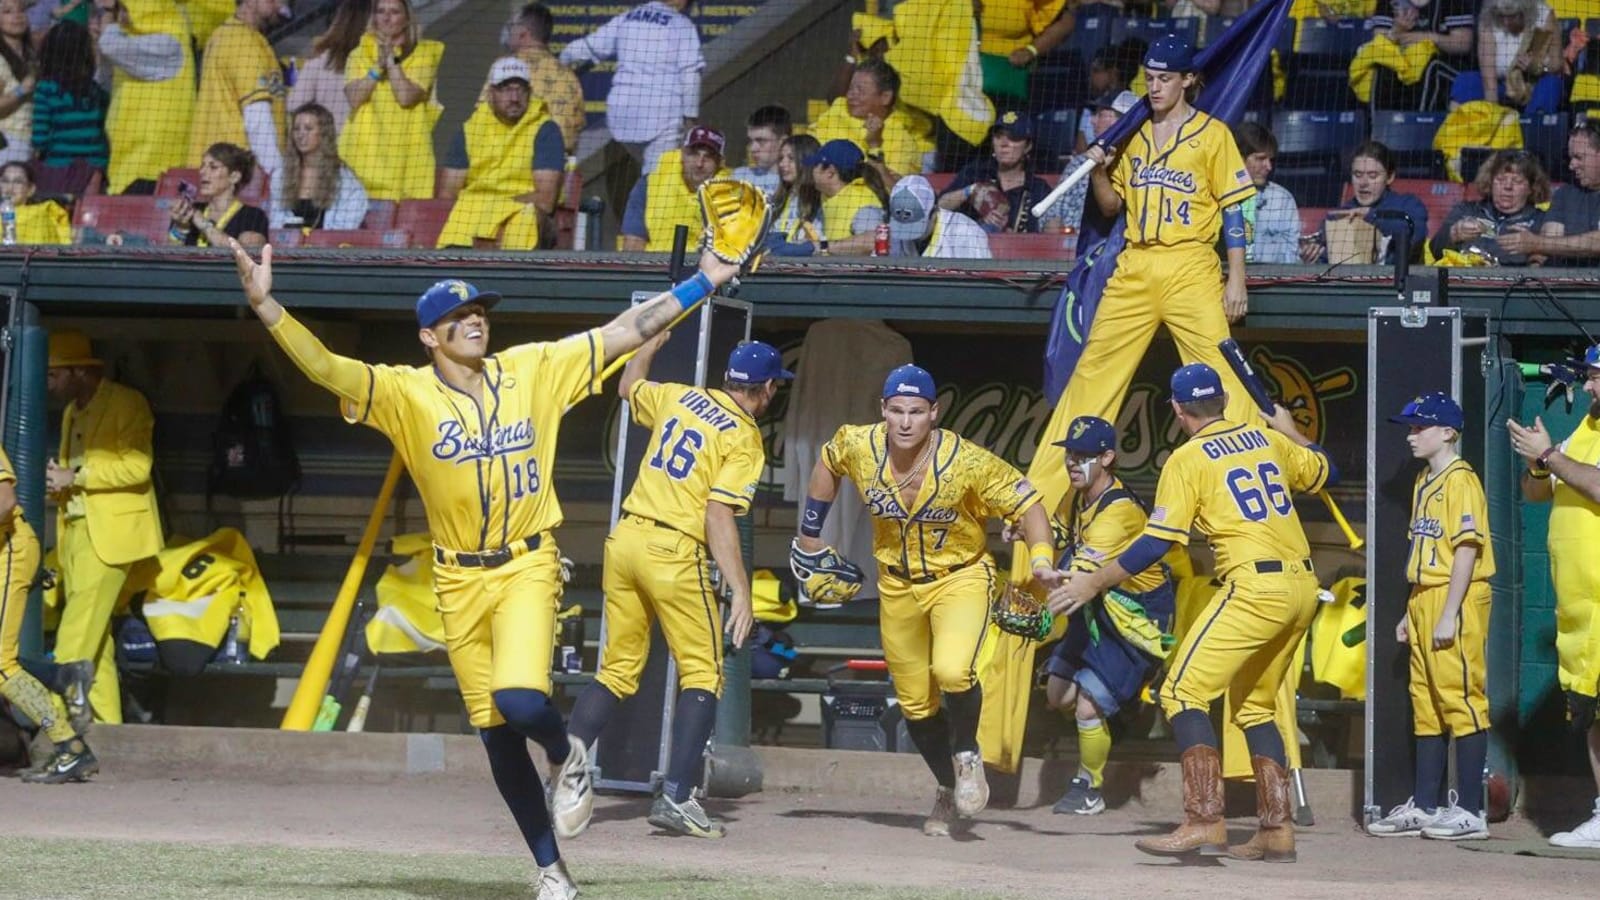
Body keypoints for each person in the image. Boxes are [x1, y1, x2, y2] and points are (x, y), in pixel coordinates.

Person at [230, 229, 746, 900]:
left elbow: (628, 329)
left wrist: (704, 281)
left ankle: (566, 755)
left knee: (521, 699)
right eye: (456, 317)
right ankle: (551, 871)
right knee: (497, 737)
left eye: (479, 312)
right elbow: (327, 367)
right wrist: (269, 308)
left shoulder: (533, 368)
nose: (474, 321)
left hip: (528, 564)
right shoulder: (402, 393)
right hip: (456, 577)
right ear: (428, 337)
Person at [1048, 362, 1336, 862]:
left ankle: (1205, 820)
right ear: (1223, 401)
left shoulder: (1188, 457)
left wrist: (1094, 579)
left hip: (1254, 584)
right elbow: (1323, 468)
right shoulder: (1263, 438)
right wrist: (1290, 431)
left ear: (1179, 411)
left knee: (1181, 692)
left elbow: (1157, 542)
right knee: (1254, 707)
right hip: (1303, 587)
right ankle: (1276, 829)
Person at [793, 364, 1061, 836]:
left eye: (916, 411)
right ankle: (946, 789)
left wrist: (1040, 559)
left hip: (958, 577)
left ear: (933, 413)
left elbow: (1029, 504)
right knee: (916, 705)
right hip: (896, 584)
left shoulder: (968, 461)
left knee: (954, 670)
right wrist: (810, 535)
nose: (904, 422)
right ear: (883, 409)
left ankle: (967, 755)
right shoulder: (860, 444)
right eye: (896, 410)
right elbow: (827, 461)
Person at [566, 339, 792, 839]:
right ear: (767, 388)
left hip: (624, 539)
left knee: (618, 671)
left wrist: (648, 344)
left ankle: (567, 774)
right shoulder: (744, 435)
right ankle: (677, 795)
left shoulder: (680, 395)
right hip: (673, 550)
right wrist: (742, 589)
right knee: (704, 675)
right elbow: (718, 514)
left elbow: (627, 385)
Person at [1025, 36, 1259, 511]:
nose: (1154, 87)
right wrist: (1097, 171)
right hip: (1134, 264)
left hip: (1191, 263)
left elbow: (1234, 211)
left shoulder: (1213, 135)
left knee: (1225, 378)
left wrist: (1237, 279)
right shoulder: (1131, 136)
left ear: (1188, 80)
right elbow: (1112, 206)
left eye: (1165, 78)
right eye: (1149, 78)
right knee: (1091, 379)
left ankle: (1257, 490)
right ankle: (1038, 510)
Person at [1364, 393, 1494, 841]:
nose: (1411, 435)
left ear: (1448, 432)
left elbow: (1466, 551)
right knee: (1427, 702)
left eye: (1420, 427)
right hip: (1424, 595)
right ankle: (1425, 804)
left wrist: (1449, 613)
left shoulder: (1462, 480)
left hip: (1455, 594)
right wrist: (1411, 609)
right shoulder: (1424, 479)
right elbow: (1427, 548)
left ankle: (1472, 813)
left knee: (1461, 697)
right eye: (1411, 427)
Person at [1039, 415, 1175, 816]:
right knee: (1057, 695)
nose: (1073, 463)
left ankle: (1090, 787)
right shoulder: (1079, 495)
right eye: (1070, 455)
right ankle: (1115, 712)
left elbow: (1079, 577)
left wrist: (1038, 614)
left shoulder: (1119, 512)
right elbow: (1059, 532)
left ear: (1107, 457)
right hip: (1100, 606)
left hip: (1137, 617)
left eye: (1084, 456)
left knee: (1086, 705)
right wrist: (1025, 532)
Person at [46, 330, 163, 729]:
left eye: (54, 374)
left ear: (79, 370)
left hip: (110, 539)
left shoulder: (126, 403)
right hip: (76, 534)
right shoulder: (70, 412)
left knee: (74, 637)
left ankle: (56, 731)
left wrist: (75, 474)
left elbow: (137, 467)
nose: (49, 383)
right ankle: (111, 734)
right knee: (97, 647)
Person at [1508, 345, 1600, 850]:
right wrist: (1541, 466)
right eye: (1587, 376)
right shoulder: (1585, 426)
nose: (1588, 386)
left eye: (1596, 377)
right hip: (1581, 609)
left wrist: (1551, 456)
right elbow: (1536, 492)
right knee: (1592, 713)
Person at [1, 443, 97, 784]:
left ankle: (70, 746)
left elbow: (5, 501)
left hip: (8, 548)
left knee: (2, 665)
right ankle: (62, 677)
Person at [558, 0, 702, 174]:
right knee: (659, 182)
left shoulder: (627, 17)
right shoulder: (682, 25)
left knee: (651, 176)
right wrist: (691, 121)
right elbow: (690, 75)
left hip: (622, 118)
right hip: (660, 117)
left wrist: (559, 65)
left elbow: (583, 48)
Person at [437, 57, 563, 251]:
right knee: (458, 217)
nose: (514, 97)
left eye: (520, 89)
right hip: (471, 213)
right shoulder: (469, 130)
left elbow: (545, 200)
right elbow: (447, 194)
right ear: (491, 93)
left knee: (525, 219)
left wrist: (496, 207)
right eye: (506, 89)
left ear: (529, 92)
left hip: (520, 214)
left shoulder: (545, 129)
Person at [342, 0, 443, 201]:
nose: (387, 18)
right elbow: (354, 98)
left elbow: (405, 96)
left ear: (406, 19)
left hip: (406, 161)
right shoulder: (358, 54)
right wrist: (378, 66)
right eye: (381, 11)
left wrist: (392, 60)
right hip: (362, 159)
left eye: (394, 12)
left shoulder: (424, 54)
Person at [94, 0, 196, 195]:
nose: (122, 17)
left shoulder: (169, 42)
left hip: (155, 168)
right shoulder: (132, 39)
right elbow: (102, 79)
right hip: (128, 160)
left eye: (126, 10)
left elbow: (110, 46)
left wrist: (108, 15)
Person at [188, 0, 284, 177]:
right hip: (238, 174)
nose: (280, 7)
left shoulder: (223, 35)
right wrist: (276, 175)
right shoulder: (243, 43)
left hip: (215, 171)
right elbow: (257, 118)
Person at [1300, 140, 1428, 266]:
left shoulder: (1409, 205)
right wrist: (1313, 256)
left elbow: (1415, 232)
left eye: (1372, 176)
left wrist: (1371, 216)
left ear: (1390, 177)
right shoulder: (1339, 217)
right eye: (1358, 175)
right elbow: (1326, 265)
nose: (1363, 183)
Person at [1498, 121, 1600, 266]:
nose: (1572, 165)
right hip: (1567, 285)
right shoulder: (1565, 194)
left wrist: (1536, 243)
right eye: (1571, 158)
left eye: (1578, 157)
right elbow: (1548, 242)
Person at [486, 3, 584, 153]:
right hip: (555, 167)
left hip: (508, 165)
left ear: (522, 34)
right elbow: (575, 131)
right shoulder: (568, 76)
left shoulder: (503, 69)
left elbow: (482, 118)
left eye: (512, 26)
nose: (508, 31)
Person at [810, 58, 928, 178]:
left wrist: (874, 144)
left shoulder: (902, 141)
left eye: (860, 90)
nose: (851, 95)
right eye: (850, 88)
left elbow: (893, 191)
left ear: (885, 97)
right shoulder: (837, 110)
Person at [937, 111, 1052, 234]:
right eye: (998, 136)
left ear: (1028, 146)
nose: (1004, 144)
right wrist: (969, 191)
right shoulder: (975, 172)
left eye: (1013, 138)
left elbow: (1048, 233)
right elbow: (940, 206)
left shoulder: (1038, 188)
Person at [1427, 148, 1548, 265]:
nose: (1507, 187)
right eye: (1500, 180)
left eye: (1517, 181)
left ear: (1532, 188)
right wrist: (1454, 234)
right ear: (1490, 182)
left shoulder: (1542, 221)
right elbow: (1435, 250)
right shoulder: (1466, 210)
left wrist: (1536, 247)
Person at [619, 125, 728, 252]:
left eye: (708, 157)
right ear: (682, 154)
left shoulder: (730, 195)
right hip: (653, 268)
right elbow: (633, 245)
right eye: (693, 154)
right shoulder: (648, 185)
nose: (699, 163)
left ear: (720, 163)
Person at [1042, 89, 1136, 234]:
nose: (1092, 121)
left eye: (1099, 114)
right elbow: (1051, 212)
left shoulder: (1138, 165)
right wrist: (1053, 225)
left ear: (1121, 121)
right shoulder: (1079, 163)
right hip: (1070, 249)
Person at [1358, 0, 1475, 111]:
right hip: (1404, 61)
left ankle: (1420, 124)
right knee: (1382, 66)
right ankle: (1379, 127)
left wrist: (1428, 38)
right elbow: (1380, 42)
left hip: (1446, 63)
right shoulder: (1387, 2)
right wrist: (1396, 30)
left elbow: (1463, 43)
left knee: (1431, 66)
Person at [1450, 0, 1562, 115]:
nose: (1506, 22)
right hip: (1501, 86)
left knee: (1551, 84)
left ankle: (1533, 126)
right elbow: (1489, 80)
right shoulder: (1488, 18)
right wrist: (1494, 115)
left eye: (1512, 16)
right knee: (1465, 81)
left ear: (1525, 11)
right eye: (1502, 16)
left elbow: (1557, 65)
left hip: (1533, 86)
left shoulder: (1544, 15)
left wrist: (1536, 66)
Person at [270, 103, 369, 231]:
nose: (301, 135)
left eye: (308, 128)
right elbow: (277, 222)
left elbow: (345, 229)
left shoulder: (345, 181)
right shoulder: (280, 177)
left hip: (329, 249)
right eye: (296, 129)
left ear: (323, 133)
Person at [30, 19, 109, 173]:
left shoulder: (46, 88)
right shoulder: (96, 90)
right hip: (97, 170)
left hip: (59, 170)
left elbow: (39, 140)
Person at [287, 0, 368, 134]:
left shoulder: (320, 58)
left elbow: (295, 103)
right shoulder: (379, 61)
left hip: (329, 144)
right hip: (361, 144)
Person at [975, 0, 1073, 110]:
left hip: (1006, 78)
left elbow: (1065, 23)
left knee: (1007, 121)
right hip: (959, 76)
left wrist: (1031, 51)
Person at [168, 142, 268, 247]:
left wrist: (202, 222)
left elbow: (246, 254)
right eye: (203, 165)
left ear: (234, 177)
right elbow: (169, 256)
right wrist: (181, 228)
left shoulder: (253, 216)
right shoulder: (189, 211)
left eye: (213, 167)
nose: (202, 171)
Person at [1234, 122, 1300, 265]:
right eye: (1260, 159)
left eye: (1271, 160)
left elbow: (1291, 257)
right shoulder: (1216, 195)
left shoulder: (1282, 199)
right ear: (1239, 157)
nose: (1269, 167)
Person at [887, 175, 991, 259]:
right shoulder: (892, 232)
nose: (907, 233)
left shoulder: (966, 233)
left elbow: (981, 281)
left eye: (914, 224)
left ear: (934, 211)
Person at [0, 0, 37, 166]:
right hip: (8, 141)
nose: (17, 16)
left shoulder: (32, 55)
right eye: (7, 12)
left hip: (31, 141)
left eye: (21, 10)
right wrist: (22, 89)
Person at [0, 161, 70, 244]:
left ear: (31, 189)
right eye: (5, 181)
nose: (10, 188)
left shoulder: (41, 213)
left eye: (18, 182)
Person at [769, 133, 821, 243]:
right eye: (781, 158)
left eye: (791, 158)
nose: (783, 164)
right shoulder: (775, 201)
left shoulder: (820, 201)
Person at [732, 104, 790, 199]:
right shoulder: (739, 176)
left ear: (783, 142)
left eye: (761, 141)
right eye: (750, 141)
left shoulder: (796, 181)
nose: (753, 148)